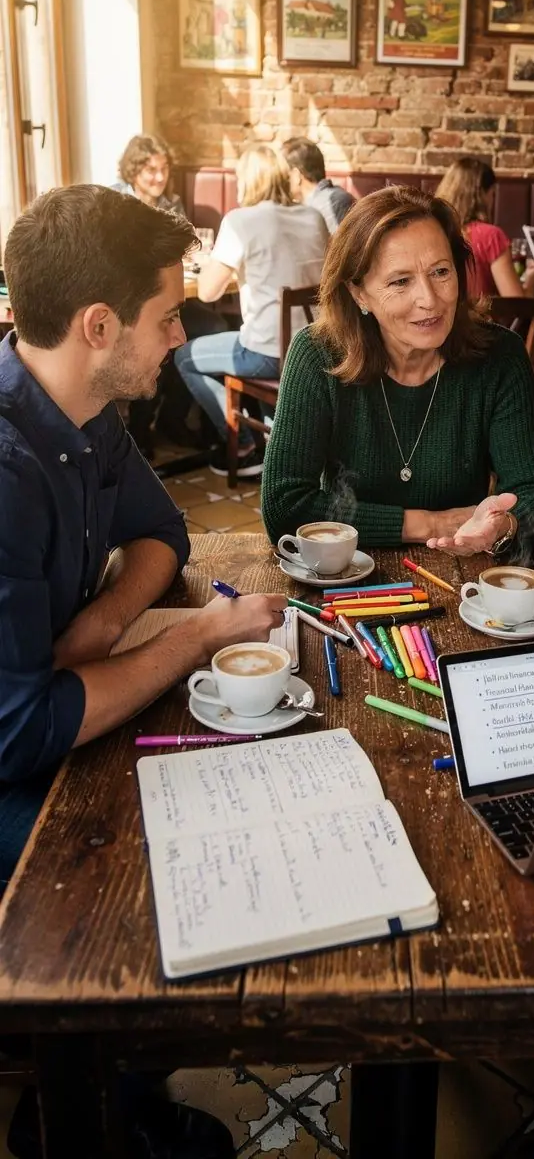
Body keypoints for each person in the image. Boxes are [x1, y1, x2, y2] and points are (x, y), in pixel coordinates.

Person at [0, 184, 286, 1158]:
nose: (177, 338)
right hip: (7, 761)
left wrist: (102, 625)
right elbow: (25, 727)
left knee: (220, 772)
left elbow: (162, 531)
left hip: (42, 703)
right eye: (167, 318)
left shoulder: (82, 409)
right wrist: (192, 638)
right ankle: (78, 1110)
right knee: (153, 860)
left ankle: (127, 1080)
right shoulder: (5, 468)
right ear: (97, 324)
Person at [262, 185, 534, 556]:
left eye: (440, 272)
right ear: (359, 293)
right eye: (400, 281)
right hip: (345, 572)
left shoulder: (499, 356)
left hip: (462, 565)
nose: (430, 300)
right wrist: (427, 524)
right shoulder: (317, 354)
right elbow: (284, 507)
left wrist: (503, 525)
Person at [175, 142, 329, 479]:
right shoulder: (313, 216)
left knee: (184, 357)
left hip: (268, 354)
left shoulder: (240, 221)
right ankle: (274, 442)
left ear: (248, 181)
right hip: (315, 349)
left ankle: (243, 446)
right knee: (235, 334)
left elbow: (207, 290)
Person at [112, 133, 228, 454]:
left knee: (212, 328)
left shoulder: (170, 204)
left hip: (173, 301)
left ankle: (175, 418)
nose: (160, 177)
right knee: (158, 336)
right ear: (133, 171)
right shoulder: (115, 204)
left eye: (164, 169)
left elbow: (182, 253)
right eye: (151, 170)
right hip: (133, 303)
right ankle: (140, 425)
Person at [436, 156, 534, 298]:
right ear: (482, 194)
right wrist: (532, 281)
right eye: (492, 193)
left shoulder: (436, 231)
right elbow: (516, 303)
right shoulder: (491, 236)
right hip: (482, 320)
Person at [281, 137, 354, 233]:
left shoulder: (333, 201)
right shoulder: (326, 200)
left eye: (283, 174)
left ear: (296, 175)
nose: (280, 180)